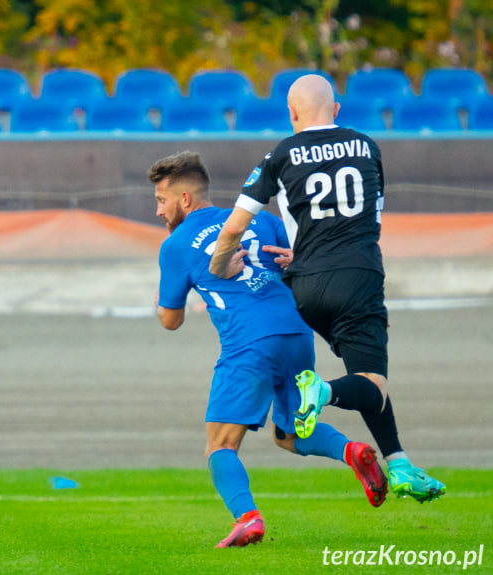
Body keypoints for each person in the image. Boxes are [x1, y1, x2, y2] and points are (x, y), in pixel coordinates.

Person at [208, 74, 445, 503]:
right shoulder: (366, 146)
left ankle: (400, 464)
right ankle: (323, 391)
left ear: (292, 114)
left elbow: (235, 226)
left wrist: (219, 264)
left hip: (305, 288)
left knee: (369, 377)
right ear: (336, 110)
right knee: (372, 383)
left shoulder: (280, 153)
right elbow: (367, 218)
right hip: (358, 277)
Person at [150, 151, 387, 549]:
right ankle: (352, 450)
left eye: (161, 200)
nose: (158, 211)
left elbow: (170, 320)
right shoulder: (262, 220)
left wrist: (177, 295)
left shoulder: (175, 245)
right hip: (296, 331)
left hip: (248, 341)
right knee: (290, 433)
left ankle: (248, 518)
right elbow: (306, 264)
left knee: (220, 445)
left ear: (185, 199)